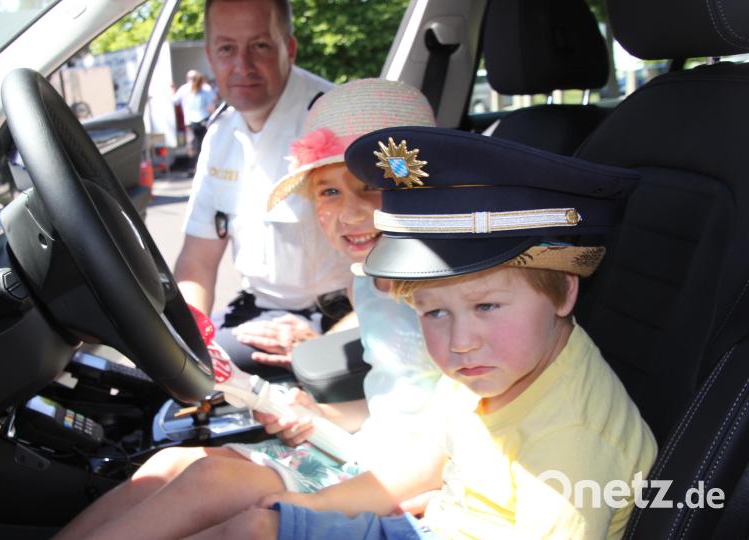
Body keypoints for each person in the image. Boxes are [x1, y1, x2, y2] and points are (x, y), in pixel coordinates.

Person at [188, 127, 659, 539]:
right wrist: (315, 505)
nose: (460, 341)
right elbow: (436, 453)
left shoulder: (570, 442)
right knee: (252, 525)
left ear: (564, 293)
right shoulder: (490, 369)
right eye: (433, 312)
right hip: (439, 523)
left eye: (487, 305)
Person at [54, 79, 440, 540]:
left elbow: (459, 436)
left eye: (371, 187)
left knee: (210, 484)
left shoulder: (450, 296)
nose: (350, 213)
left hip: (413, 475)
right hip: (372, 447)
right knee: (172, 464)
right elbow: (397, 392)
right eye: (328, 192)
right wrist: (320, 414)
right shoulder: (368, 280)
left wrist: (322, 502)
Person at [173, 0, 352, 378]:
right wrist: (192, 340)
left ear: (289, 48)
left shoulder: (336, 123)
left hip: (343, 318)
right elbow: (197, 261)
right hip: (259, 312)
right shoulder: (219, 135)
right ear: (210, 56)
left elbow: (383, 263)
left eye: (259, 45)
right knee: (175, 374)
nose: (243, 65)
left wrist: (332, 340)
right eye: (227, 49)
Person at [173, 69, 217, 172]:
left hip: (190, 122)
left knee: (193, 145)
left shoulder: (184, 89)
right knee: (203, 144)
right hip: (203, 120)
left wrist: (172, 90)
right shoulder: (205, 88)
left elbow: (174, 101)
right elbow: (211, 106)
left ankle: (194, 167)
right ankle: (203, 167)